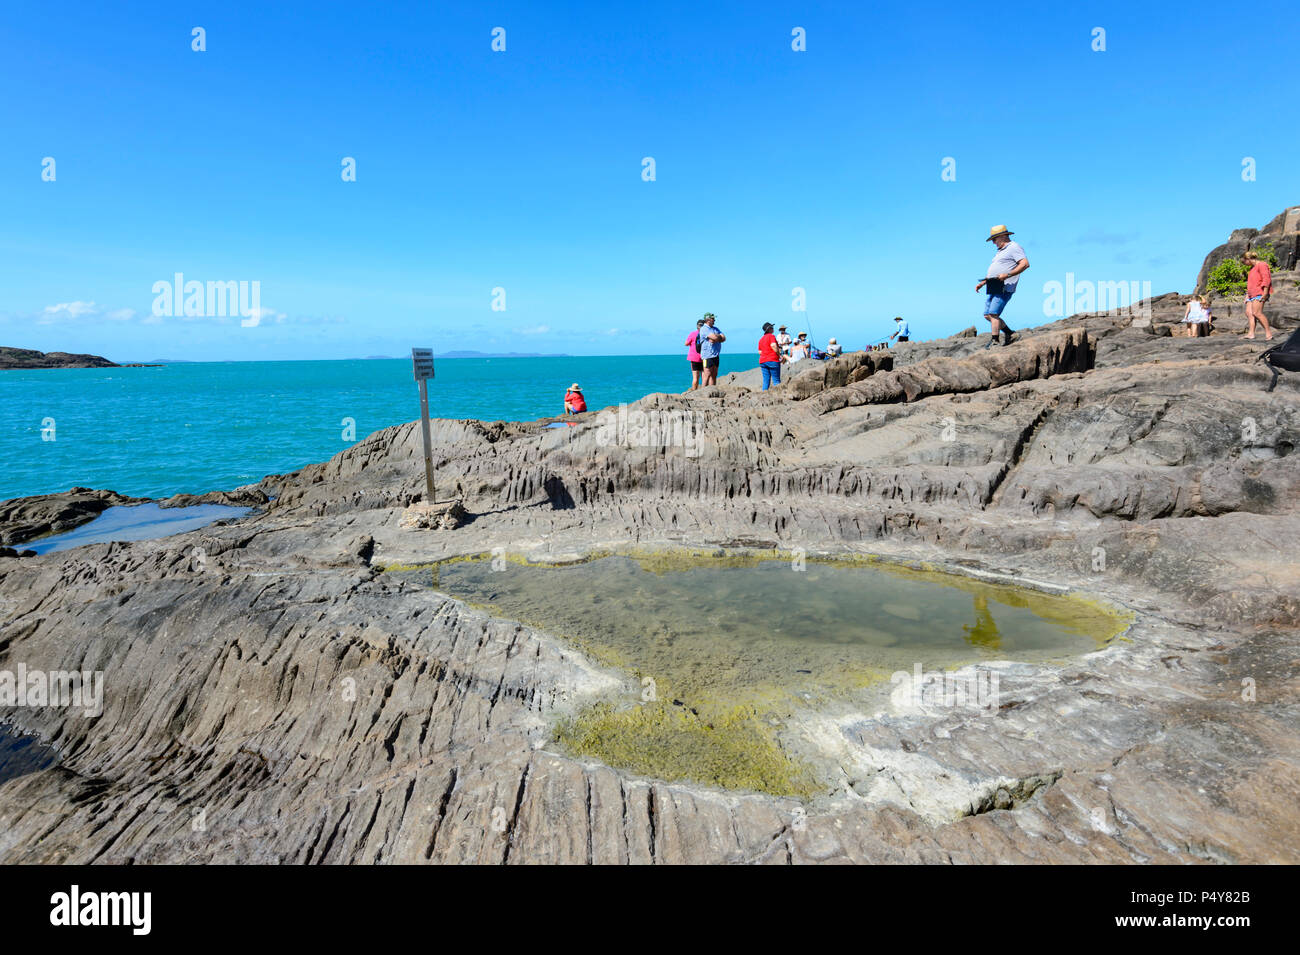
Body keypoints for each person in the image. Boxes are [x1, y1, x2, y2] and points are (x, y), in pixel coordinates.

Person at [974, 224, 1029, 348]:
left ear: (1004, 236)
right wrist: (983, 283)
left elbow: (1025, 264)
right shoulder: (1000, 251)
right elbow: (996, 270)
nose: (993, 242)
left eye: (994, 239)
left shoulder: (1014, 247)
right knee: (987, 315)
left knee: (993, 314)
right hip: (993, 285)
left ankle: (995, 341)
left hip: (1004, 287)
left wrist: (1008, 274)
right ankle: (1010, 334)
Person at [1243, 250, 1274, 341]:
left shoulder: (1262, 265)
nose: (1244, 263)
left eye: (1244, 261)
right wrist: (1247, 296)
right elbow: (1250, 283)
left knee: (1257, 313)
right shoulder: (1252, 268)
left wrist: (1265, 293)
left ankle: (1268, 334)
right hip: (1251, 294)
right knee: (1249, 313)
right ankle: (1251, 333)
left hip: (1259, 293)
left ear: (1248, 259)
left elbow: (1266, 279)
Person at [697, 313, 725, 385]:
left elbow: (724, 338)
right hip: (707, 355)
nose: (714, 320)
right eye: (713, 319)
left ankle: (712, 390)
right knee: (707, 374)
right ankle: (703, 391)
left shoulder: (715, 329)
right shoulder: (704, 329)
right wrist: (718, 338)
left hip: (716, 355)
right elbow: (716, 338)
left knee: (714, 374)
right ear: (708, 320)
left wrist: (716, 338)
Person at [758, 322, 785, 390]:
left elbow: (760, 352)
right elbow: (773, 345)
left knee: (766, 381)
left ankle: (764, 396)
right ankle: (779, 396)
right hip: (772, 360)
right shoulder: (771, 336)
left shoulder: (761, 339)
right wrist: (779, 355)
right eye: (772, 327)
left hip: (763, 361)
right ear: (769, 329)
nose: (773, 329)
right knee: (776, 380)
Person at [684, 318, 706, 390]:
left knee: (695, 378)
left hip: (694, 358)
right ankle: (704, 391)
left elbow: (686, 343)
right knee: (704, 376)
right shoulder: (706, 334)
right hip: (704, 357)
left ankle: (694, 392)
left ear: (697, 326)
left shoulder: (693, 334)